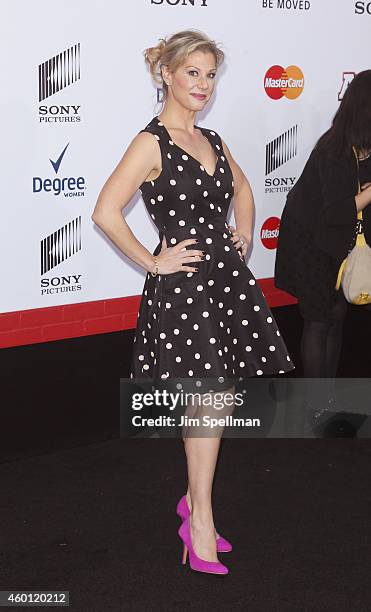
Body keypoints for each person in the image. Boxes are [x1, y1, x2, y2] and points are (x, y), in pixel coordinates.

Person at [92, 29, 294, 575]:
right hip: (182, 291)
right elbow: (106, 211)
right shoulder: (150, 142)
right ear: (167, 74)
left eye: (210, 74)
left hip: (224, 281)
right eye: (193, 73)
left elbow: (244, 190)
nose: (203, 84)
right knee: (204, 401)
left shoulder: (215, 139)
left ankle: (192, 503)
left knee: (217, 399)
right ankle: (200, 520)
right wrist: (152, 261)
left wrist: (244, 234)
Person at [275, 70, 371, 415]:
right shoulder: (335, 150)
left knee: (338, 313)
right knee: (318, 319)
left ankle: (328, 395)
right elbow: (335, 212)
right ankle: (315, 404)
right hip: (310, 240)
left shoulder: (365, 148)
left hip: (339, 242)